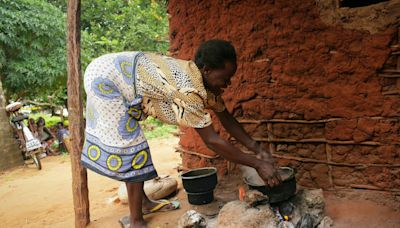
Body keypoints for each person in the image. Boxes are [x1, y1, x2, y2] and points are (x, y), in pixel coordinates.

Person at [81, 39, 281, 228]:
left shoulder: (201, 79)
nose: (228, 84)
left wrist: (257, 149)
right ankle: (136, 221)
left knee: (136, 145)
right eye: (225, 79)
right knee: (132, 147)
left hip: (120, 70)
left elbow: (226, 118)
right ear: (207, 70)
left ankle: (143, 203)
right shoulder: (188, 90)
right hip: (107, 79)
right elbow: (212, 140)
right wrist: (257, 163)